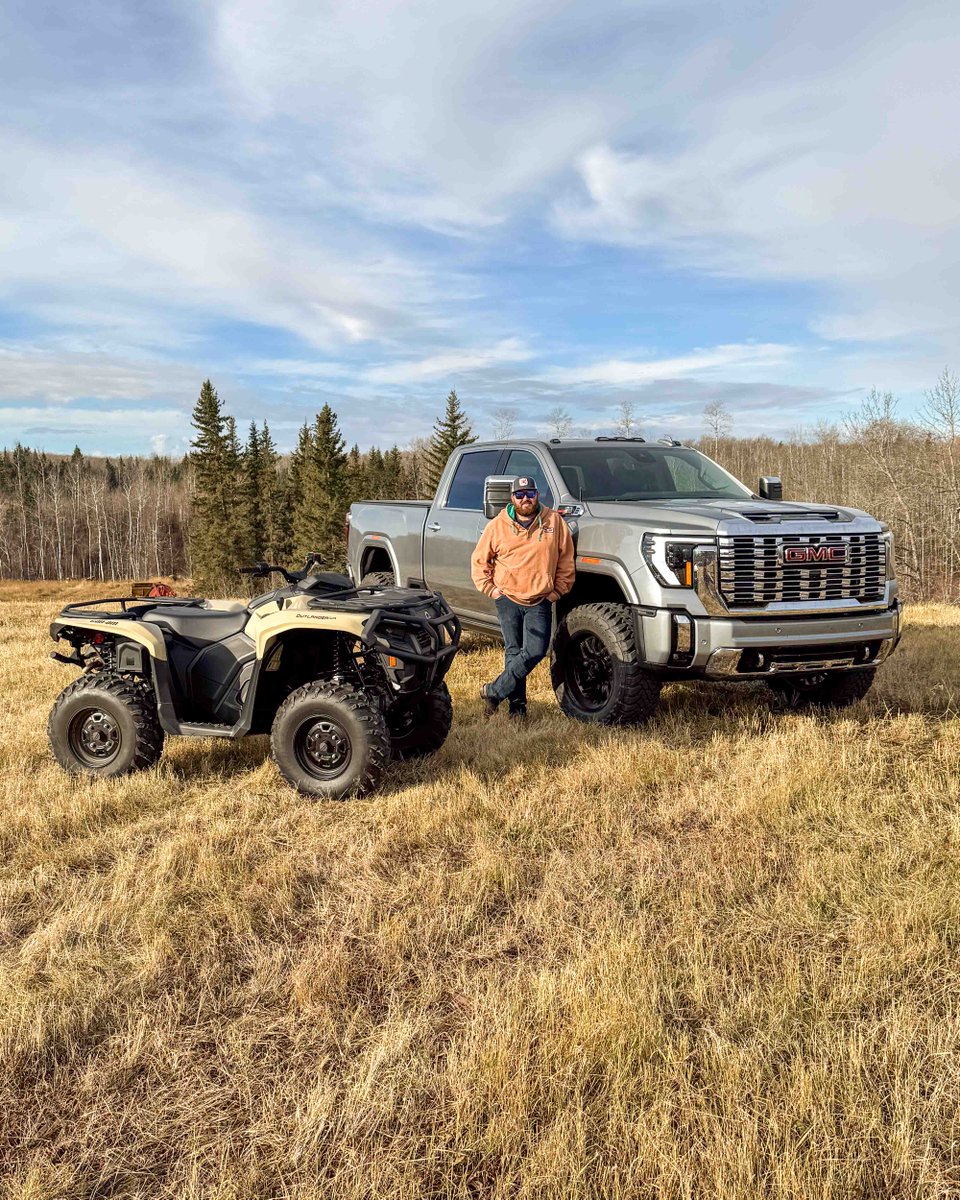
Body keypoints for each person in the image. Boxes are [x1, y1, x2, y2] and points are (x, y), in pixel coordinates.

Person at [470, 475, 575, 718]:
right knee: (513, 652)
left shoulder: (554, 522)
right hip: (507, 597)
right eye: (520, 494)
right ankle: (518, 710)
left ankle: (494, 691)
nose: (525, 498)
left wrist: (556, 591)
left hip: (540, 599)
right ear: (512, 498)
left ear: (537, 495)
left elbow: (566, 561)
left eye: (530, 493)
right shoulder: (497, 525)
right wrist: (491, 589)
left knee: (536, 650)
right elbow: (479, 561)